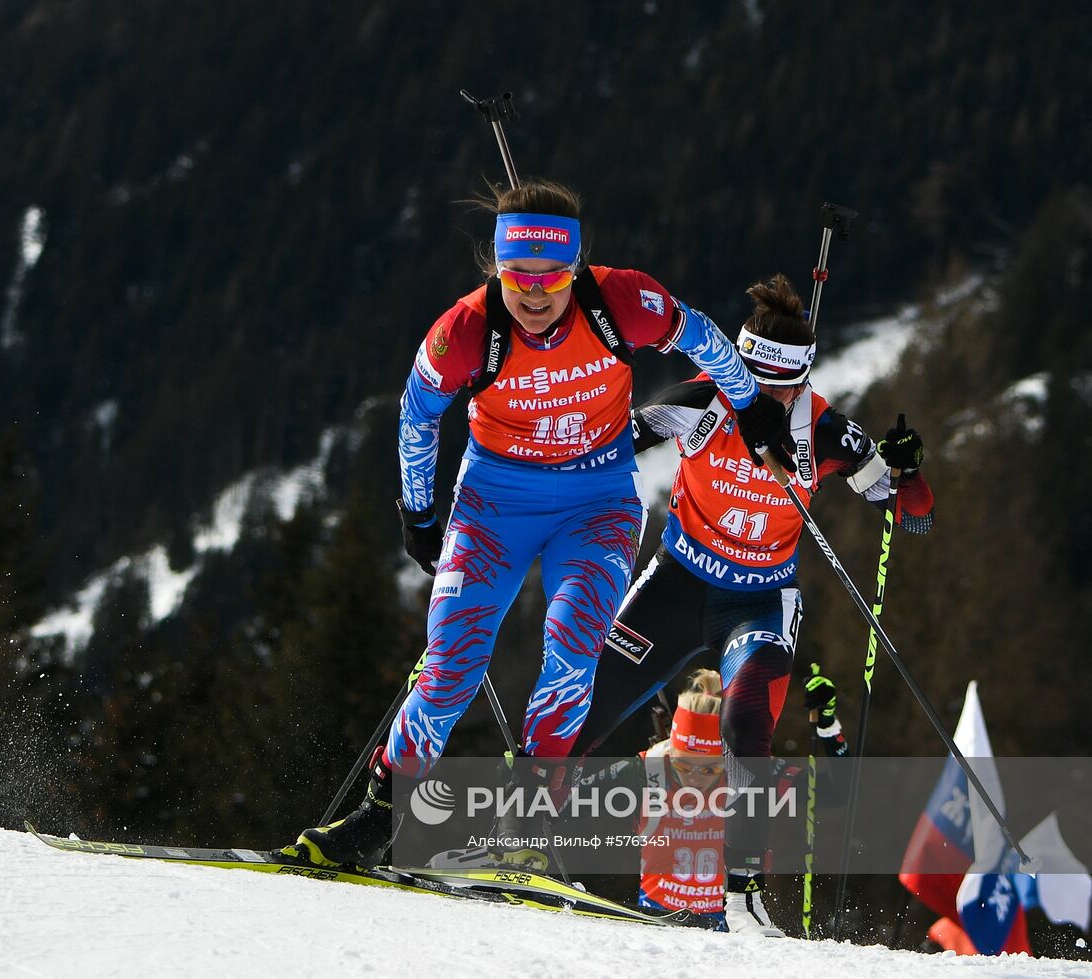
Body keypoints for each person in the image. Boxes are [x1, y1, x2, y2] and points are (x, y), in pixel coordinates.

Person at [294, 180, 797, 870]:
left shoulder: (620, 301)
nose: (535, 294)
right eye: (517, 276)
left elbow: (700, 333)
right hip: (494, 504)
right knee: (450, 668)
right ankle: (378, 816)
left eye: (553, 277)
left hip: (597, 502)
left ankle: (526, 823)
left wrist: (749, 402)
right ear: (495, 269)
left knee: (572, 647)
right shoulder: (464, 331)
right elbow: (416, 414)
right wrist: (418, 511)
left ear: (577, 268)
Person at [571, 272, 935, 934]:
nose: (753, 394)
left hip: (761, 602)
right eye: (746, 374)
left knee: (745, 726)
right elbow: (603, 447)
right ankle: (517, 834)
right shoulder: (702, 399)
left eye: (772, 385)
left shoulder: (826, 433)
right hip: (679, 583)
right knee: (587, 697)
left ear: (797, 380)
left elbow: (910, 513)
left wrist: (908, 475)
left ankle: (740, 896)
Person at [577, 666, 849, 931]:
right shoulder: (649, 770)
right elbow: (568, 799)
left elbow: (838, 791)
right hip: (658, 926)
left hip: (728, 932)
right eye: (683, 766)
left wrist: (827, 726)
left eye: (710, 768)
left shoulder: (750, 772)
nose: (695, 778)